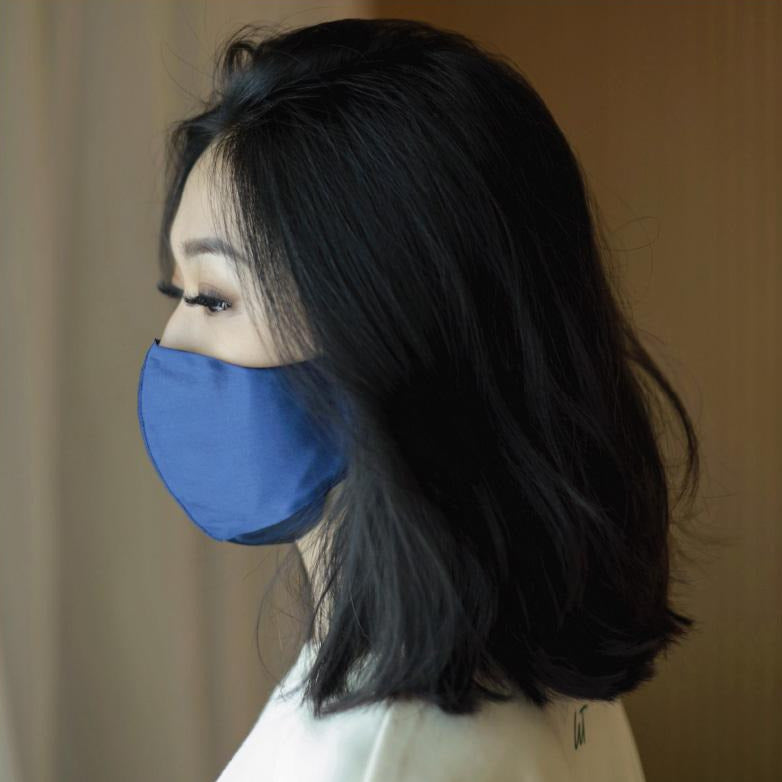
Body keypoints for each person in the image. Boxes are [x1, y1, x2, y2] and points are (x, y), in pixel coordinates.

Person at [136, 16, 701, 781]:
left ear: (395, 328)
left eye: (212, 297)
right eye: (176, 291)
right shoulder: (539, 689)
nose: (170, 342)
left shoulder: (383, 760)